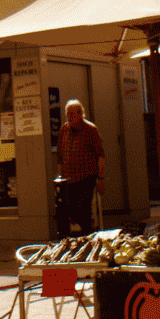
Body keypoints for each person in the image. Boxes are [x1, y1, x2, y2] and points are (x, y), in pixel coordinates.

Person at [56, 99, 105, 235]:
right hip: (68, 179)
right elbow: (60, 156)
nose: (69, 117)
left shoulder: (90, 130)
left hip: (85, 178)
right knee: (71, 212)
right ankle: (77, 237)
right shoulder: (64, 130)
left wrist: (100, 178)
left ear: (80, 114)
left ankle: (87, 235)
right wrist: (60, 178)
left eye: (72, 114)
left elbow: (100, 155)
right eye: (67, 114)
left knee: (83, 209)